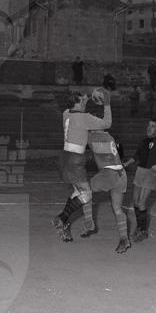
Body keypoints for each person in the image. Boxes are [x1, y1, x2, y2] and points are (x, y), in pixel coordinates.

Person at [52, 88, 111, 242]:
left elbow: (74, 105)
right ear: (77, 103)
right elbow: (107, 123)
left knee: (77, 192)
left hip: (64, 157)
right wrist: (106, 103)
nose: (86, 103)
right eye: (83, 101)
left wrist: (86, 98)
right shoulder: (84, 117)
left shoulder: (66, 113)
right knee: (87, 194)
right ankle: (62, 218)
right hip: (75, 160)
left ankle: (68, 223)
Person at [123, 119, 156, 243]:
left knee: (141, 203)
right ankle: (139, 227)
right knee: (135, 202)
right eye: (149, 125)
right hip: (140, 171)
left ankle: (143, 231)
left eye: (153, 126)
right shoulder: (143, 141)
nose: (149, 127)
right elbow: (137, 155)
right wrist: (126, 163)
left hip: (150, 173)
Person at [87, 129, 132, 253]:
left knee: (83, 191)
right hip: (121, 174)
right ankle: (124, 239)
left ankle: (84, 221)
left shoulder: (93, 136)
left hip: (110, 174)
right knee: (117, 209)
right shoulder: (109, 137)